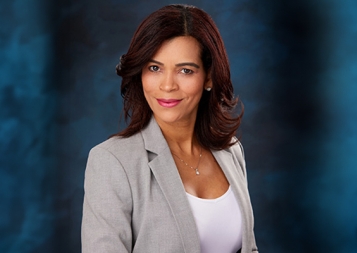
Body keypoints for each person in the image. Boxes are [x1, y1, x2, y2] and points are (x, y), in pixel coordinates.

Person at [82, 4, 258, 253]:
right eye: (155, 68)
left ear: (208, 77)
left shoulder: (231, 151)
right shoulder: (112, 162)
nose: (167, 85)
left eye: (185, 70)